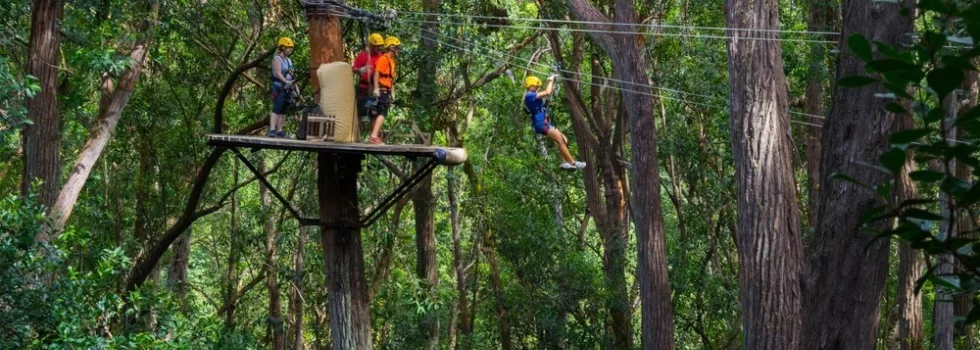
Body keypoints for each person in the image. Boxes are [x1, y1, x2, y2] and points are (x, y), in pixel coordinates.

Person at [523, 75, 586, 170]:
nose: (538, 88)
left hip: (544, 122)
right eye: (536, 86)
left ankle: (564, 162)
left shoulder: (533, 97)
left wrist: (553, 81)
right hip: (541, 123)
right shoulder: (529, 96)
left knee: (564, 139)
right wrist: (551, 80)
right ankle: (572, 163)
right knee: (560, 140)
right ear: (530, 86)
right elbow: (547, 92)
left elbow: (549, 93)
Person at [368, 36, 401, 144]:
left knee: (376, 113)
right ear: (391, 47)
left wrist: (392, 90)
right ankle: (373, 136)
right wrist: (376, 88)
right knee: (382, 112)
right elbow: (377, 73)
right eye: (397, 48)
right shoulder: (384, 58)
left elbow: (390, 78)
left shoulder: (392, 61)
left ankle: (374, 136)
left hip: (386, 89)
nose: (398, 50)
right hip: (381, 90)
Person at [353, 33, 386, 118]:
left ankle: (373, 131)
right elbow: (353, 69)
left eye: (380, 46)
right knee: (359, 113)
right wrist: (361, 70)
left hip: (376, 90)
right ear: (371, 45)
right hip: (363, 89)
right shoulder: (363, 55)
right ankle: (357, 130)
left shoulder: (382, 58)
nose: (379, 48)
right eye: (377, 46)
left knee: (375, 114)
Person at [269, 36, 296, 137]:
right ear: (283, 48)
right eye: (289, 48)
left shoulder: (289, 61)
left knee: (284, 110)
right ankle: (272, 130)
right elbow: (278, 73)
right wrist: (286, 82)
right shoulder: (277, 59)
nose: (290, 50)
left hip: (287, 89)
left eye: (291, 48)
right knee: (277, 108)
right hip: (279, 88)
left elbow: (292, 74)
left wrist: (293, 86)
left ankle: (279, 130)